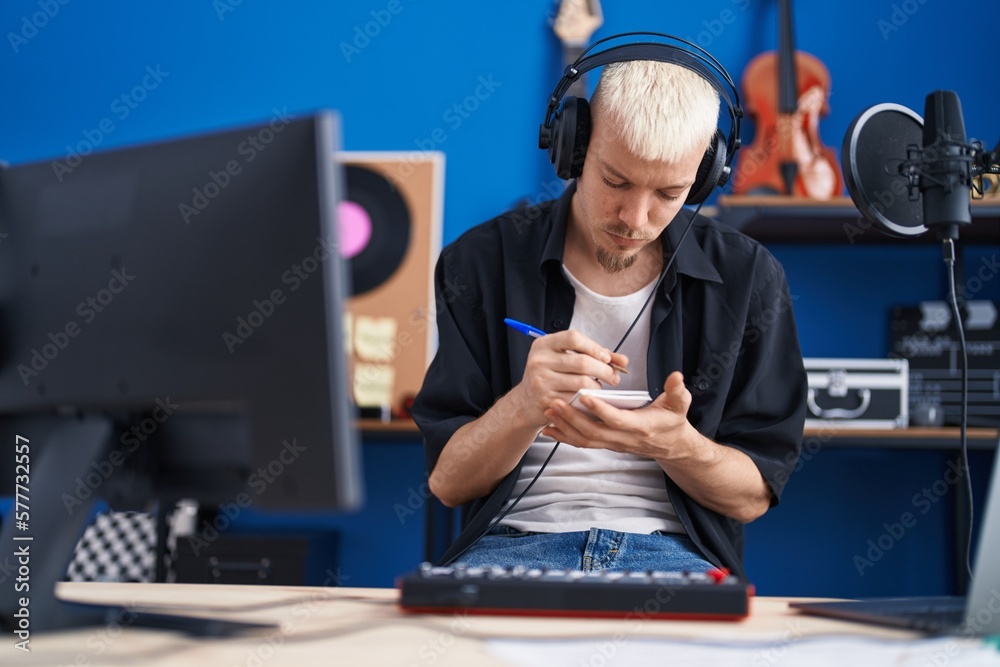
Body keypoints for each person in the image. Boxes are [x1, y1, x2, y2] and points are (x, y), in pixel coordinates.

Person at [411, 54, 807, 579]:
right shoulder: (482, 261)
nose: (634, 219)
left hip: (672, 560)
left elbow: (752, 497)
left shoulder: (749, 276)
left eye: (669, 193)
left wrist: (673, 444)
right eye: (615, 181)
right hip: (512, 550)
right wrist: (526, 403)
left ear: (707, 174)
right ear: (575, 148)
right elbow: (448, 483)